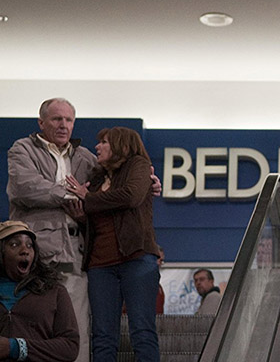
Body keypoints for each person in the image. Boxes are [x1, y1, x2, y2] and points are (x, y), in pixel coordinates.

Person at [6, 97, 161, 362]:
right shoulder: (23, 149)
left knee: (78, 329)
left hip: (78, 255)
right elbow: (24, 187)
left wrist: (149, 183)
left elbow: (114, 188)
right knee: (34, 323)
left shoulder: (86, 158)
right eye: (57, 119)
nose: (63, 125)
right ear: (41, 122)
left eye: (68, 120)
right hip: (37, 254)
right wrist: (73, 194)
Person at [65, 126, 160, 361]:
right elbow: (98, 218)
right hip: (100, 265)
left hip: (136, 258)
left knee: (142, 331)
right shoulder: (96, 178)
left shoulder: (138, 165)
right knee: (103, 336)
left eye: (104, 142)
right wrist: (82, 217)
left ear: (122, 145)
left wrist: (88, 198)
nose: (97, 146)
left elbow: (131, 196)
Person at [0, 220, 79, 362]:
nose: (25, 250)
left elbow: (70, 347)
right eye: (14, 245)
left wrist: (15, 347)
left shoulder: (54, 291)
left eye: (29, 245)